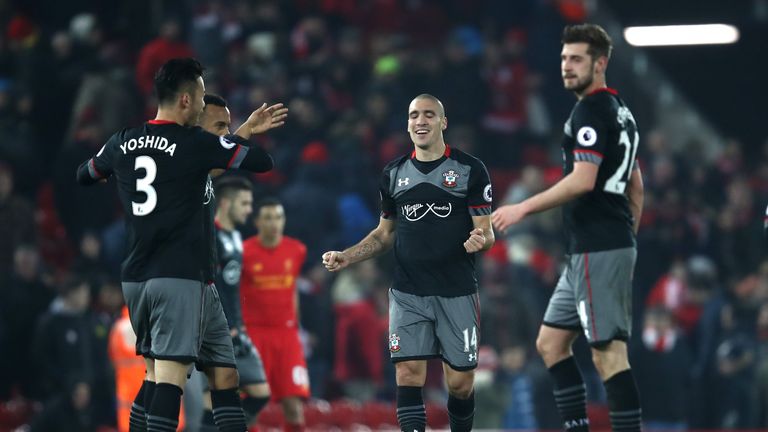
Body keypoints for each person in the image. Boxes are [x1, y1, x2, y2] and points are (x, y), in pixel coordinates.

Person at [76, 57, 286, 432]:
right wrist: (236, 137)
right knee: (168, 378)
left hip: (145, 277)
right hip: (178, 277)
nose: (204, 105)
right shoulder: (194, 143)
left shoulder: (122, 141)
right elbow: (262, 162)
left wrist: (115, 174)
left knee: (219, 375)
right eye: (202, 97)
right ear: (186, 100)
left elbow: (86, 174)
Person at [492, 24, 644, 432]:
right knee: (551, 343)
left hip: (598, 247)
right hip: (590, 250)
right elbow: (636, 185)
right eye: (563, 58)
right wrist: (627, 241)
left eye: (576, 59)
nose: (566, 66)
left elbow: (582, 180)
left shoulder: (590, 111)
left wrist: (522, 207)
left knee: (608, 354)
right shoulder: (622, 111)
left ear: (600, 63)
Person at [322, 93, 495, 432]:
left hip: (456, 290)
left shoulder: (470, 170)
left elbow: (486, 232)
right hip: (407, 291)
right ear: (407, 124)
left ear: (443, 122)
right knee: (408, 372)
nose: (420, 121)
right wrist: (348, 256)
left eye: (429, 114)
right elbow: (384, 234)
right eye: (414, 115)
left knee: (460, 383)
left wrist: (481, 241)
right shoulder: (393, 173)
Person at [197, 94, 273, 431]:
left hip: (235, 326)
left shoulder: (236, 238)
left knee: (255, 392)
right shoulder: (210, 232)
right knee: (217, 393)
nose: (249, 210)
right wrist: (222, 323)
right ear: (226, 203)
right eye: (244, 204)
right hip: (216, 323)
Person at [241, 198, 309, 432]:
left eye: (278, 217)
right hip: (254, 335)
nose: (274, 223)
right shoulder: (243, 252)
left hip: (287, 335)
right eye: (268, 218)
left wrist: (298, 328)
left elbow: (293, 290)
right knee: (251, 407)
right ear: (257, 222)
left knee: (294, 408)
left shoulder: (297, 250)